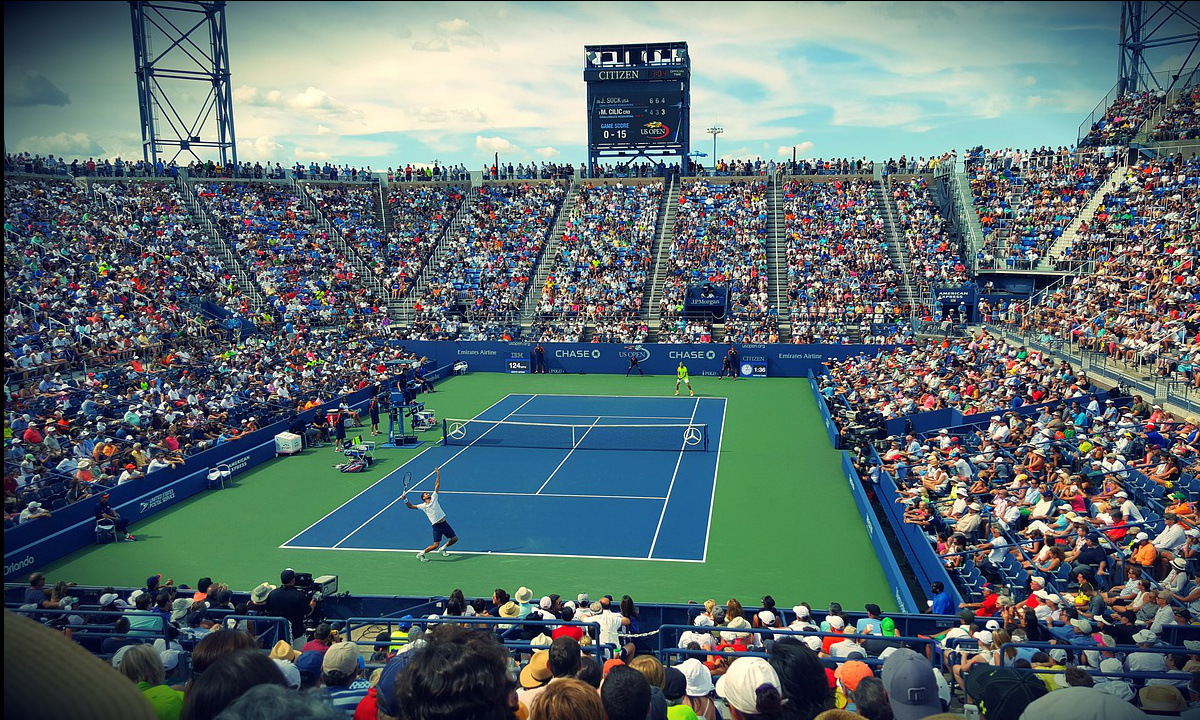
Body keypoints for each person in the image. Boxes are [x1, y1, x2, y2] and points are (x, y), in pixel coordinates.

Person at [404, 467, 458, 561]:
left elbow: (437, 485)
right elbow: (410, 506)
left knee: (454, 539)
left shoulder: (434, 497)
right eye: (425, 494)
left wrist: (438, 474)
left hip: (444, 524)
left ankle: (443, 548)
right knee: (435, 545)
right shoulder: (423, 506)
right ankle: (421, 554)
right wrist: (405, 499)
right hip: (437, 526)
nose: (427, 494)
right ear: (423, 498)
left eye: (427, 493)